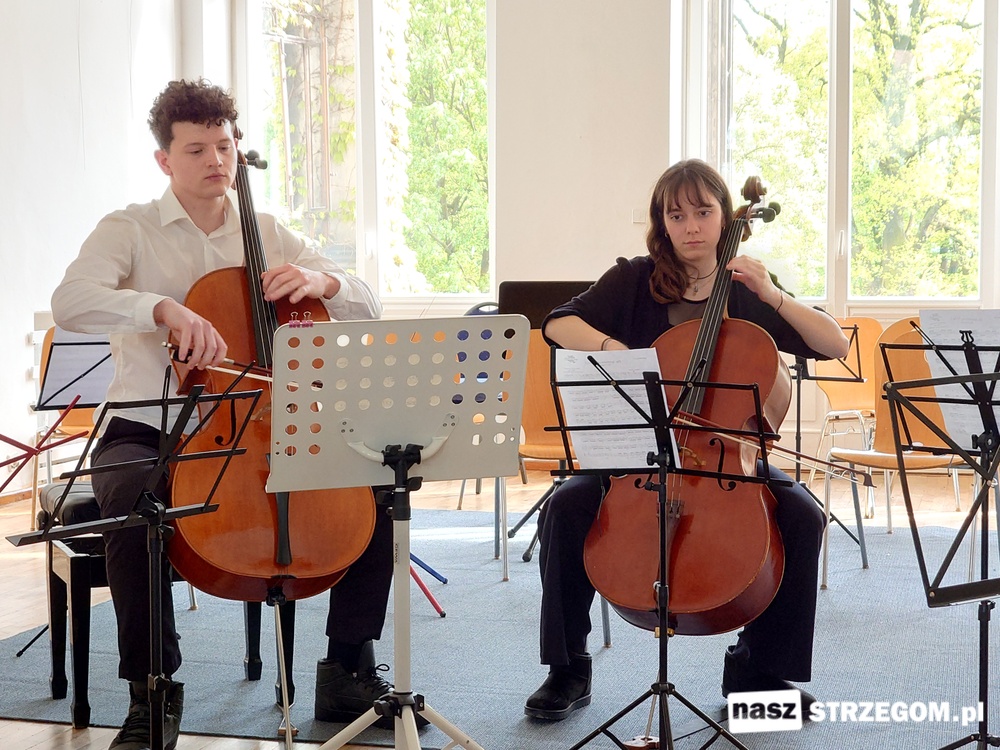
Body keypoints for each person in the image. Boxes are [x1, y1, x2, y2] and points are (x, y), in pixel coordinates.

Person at [51, 79, 402, 750]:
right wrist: (160, 308)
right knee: (131, 499)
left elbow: (366, 301)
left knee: (380, 491)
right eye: (196, 150)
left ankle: (347, 669)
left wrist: (323, 281)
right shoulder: (129, 228)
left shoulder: (265, 230)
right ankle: (153, 689)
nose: (216, 161)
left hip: (262, 423)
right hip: (150, 423)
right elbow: (72, 299)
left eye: (224, 146)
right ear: (164, 160)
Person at [524, 158, 850, 721]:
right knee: (565, 506)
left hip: (725, 459)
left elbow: (834, 345)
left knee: (802, 514)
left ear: (725, 216)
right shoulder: (636, 278)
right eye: (677, 216)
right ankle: (567, 667)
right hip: (641, 453)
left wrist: (774, 296)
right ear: (662, 223)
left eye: (703, 211)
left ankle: (758, 675)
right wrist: (617, 351)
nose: (691, 226)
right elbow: (557, 323)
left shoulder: (747, 288)